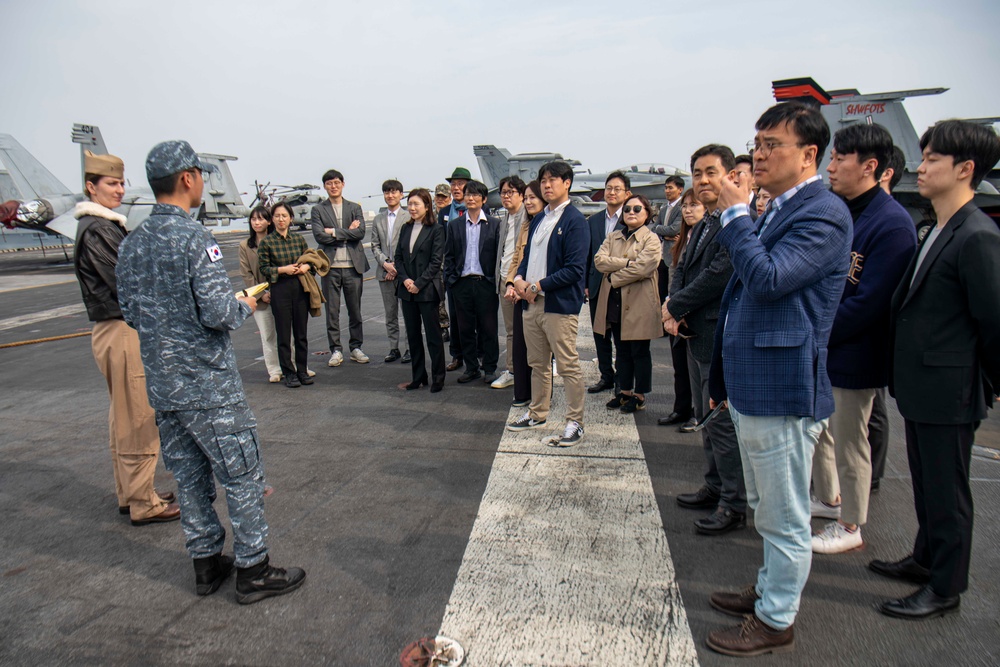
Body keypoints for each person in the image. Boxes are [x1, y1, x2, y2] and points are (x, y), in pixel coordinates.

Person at [116, 140, 304, 603]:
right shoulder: (196, 238)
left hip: (164, 386)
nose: (202, 181)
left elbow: (131, 311)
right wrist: (245, 302)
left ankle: (205, 565)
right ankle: (253, 568)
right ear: (187, 178)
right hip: (208, 386)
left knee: (189, 478)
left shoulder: (134, 241)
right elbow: (219, 312)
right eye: (199, 173)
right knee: (241, 475)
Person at [704, 102, 852, 656]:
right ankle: (768, 590)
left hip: (783, 385)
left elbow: (766, 280)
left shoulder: (824, 213)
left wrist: (739, 215)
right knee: (769, 506)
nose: (758, 154)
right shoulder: (780, 207)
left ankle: (776, 619)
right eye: (757, 143)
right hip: (755, 381)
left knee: (786, 516)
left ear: (809, 154)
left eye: (772, 144)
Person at [872, 120, 1000, 620]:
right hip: (924, 386)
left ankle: (945, 586)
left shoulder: (977, 235)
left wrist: (987, 386)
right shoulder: (936, 226)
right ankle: (926, 558)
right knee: (927, 482)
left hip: (951, 388)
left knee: (948, 492)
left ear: (965, 169)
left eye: (931, 161)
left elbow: (992, 321)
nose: (920, 168)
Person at [810, 124, 916, 554]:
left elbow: (871, 303)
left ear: (871, 166)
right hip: (829, 343)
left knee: (851, 438)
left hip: (855, 350)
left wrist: (817, 329)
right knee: (824, 432)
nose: (830, 167)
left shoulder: (891, 224)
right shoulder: (846, 211)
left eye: (839, 159)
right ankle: (831, 499)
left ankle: (851, 523)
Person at [72, 150, 180, 526]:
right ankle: (143, 502)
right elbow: (128, 283)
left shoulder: (98, 226)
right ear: (91, 187)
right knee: (137, 417)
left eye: (121, 182)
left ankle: (130, 492)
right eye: (111, 184)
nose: (119, 190)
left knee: (123, 416)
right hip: (121, 330)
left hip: (113, 329)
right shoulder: (100, 229)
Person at [663, 145, 745, 537]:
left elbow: (718, 275)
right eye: (697, 173)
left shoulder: (734, 221)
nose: (703, 180)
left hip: (718, 334)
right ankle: (714, 485)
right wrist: (672, 305)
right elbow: (680, 267)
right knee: (706, 419)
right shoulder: (706, 221)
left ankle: (733, 501)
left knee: (722, 424)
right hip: (695, 331)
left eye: (711, 172)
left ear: (729, 175)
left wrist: (674, 304)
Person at [508, 161, 589, 447]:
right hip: (531, 303)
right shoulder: (540, 219)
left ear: (567, 183)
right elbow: (528, 257)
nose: (546, 184)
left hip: (557, 305)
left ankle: (575, 422)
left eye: (552, 179)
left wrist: (537, 285)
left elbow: (575, 269)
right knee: (537, 363)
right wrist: (518, 278)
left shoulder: (574, 221)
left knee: (567, 365)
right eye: (543, 180)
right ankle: (537, 413)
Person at [592, 194, 663, 413]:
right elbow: (599, 261)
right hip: (615, 302)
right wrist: (627, 262)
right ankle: (625, 392)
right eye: (628, 209)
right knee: (621, 350)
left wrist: (615, 277)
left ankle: (639, 396)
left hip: (639, 303)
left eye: (637, 209)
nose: (631, 213)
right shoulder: (613, 236)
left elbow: (645, 267)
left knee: (639, 351)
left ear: (647, 213)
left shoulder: (651, 238)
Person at [443, 180, 501, 384]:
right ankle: (471, 367)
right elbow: (448, 255)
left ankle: (490, 367)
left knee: (489, 328)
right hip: (462, 283)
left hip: (485, 283)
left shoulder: (495, 224)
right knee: (465, 329)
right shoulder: (454, 225)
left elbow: (498, 255)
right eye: (468, 194)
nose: (470, 198)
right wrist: (452, 280)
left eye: (476, 195)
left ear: (484, 199)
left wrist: (494, 281)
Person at [310, 169, 370, 366]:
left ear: (343, 184)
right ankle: (335, 349)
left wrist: (334, 231)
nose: (333, 186)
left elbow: (360, 232)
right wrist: (346, 232)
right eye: (329, 183)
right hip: (330, 267)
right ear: (325, 186)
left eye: (336, 182)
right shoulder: (318, 210)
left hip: (353, 266)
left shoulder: (354, 207)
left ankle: (356, 347)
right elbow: (320, 236)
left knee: (355, 310)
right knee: (332, 311)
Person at [657, 188, 702, 431]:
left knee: (697, 368)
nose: (687, 210)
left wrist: (680, 306)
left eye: (694, 205)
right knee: (680, 366)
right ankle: (681, 408)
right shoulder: (684, 237)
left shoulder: (707, 235)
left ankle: (698, 413)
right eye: (685, 206)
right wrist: (671, 302)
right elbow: (676, 273)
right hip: (677, 309)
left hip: (695, 312)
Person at [258, 201, 316, 389]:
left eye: (284, 216)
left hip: (299, 288)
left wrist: (307, 266)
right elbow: (264, 269)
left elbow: (311, 261)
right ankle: (288, 373)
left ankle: (302, 370)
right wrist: (283, 269)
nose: (281, 219)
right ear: (272, 219)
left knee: (301, 334)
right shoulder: (267, 242)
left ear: (291, 218)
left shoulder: (298, 240)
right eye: (277, 216)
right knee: (283, 334)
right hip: (280, 288)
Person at [395, 188, 447, 393]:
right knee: (413, 335)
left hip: (426, 291)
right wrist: (406, 279)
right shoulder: (405, 228)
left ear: (427, 206)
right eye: (410, 204)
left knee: (433, 336)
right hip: (407, 290)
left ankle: (438, 377)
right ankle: (418, 376)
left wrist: (418, 282)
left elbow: (436, 262)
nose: (412, 208)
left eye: (417, 204)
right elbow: (398, 257)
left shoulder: (436, 229)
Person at [585, 171, 631, 394]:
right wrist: (585, 282)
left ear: (627, 193)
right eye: (608, 188)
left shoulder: (631, 219)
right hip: (596, 286)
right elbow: (587, 254)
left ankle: (623, 380)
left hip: (621, 287)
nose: (611, 193)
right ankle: (606, 376)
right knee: (599, 335)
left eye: (617, 189)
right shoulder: (593, 220)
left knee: (620, 337)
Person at [504, 180, 545, 408]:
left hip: (539, 293)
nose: (528, 202)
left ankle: (540, 396)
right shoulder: (525, 225)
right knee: (520, 346)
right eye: (526, 197)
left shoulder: (547, 224)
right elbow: (517, 260)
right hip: (520, 292)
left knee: (539, 350)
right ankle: (522, 393)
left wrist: (527, 287)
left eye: (533, 198)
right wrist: (512, 283)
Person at [492, 175, 528, 390]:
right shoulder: (504, 219)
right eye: (503, 193)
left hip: (523, 283)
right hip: (504, 281)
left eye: (510, 192)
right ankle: (512, 370)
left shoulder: (530, 217)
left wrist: (516, 282)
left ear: (521, 195)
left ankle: (537, 366)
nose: (505, 197)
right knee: (511, 330)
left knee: (532, 330)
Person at [239, 206, 282, 384]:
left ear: (268, 221)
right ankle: (274, 369)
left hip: (280, 293)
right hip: (260, 298)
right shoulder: (245, 246)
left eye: (261, 219)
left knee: (288, 334)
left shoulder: (277, 241)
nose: (257, 222)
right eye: (253, 219)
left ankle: (293, 365)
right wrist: (262, 294)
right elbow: (246, 274)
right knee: (268, 335)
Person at [371, 179, 411, 364]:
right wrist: (385, 263)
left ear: (401, 195)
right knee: (390, 313)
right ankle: (393, 347)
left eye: (394, 192)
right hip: (384, 273)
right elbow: (374, 245)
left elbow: (407, 245)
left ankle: (410, 348)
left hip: (403, 274)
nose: (390, 195)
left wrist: (396, 268)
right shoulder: (378, 219)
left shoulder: (408, 216)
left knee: (408, 312)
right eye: (387, 192)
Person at [440, 168, 471, 371]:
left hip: (474, 273)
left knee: (475, 319)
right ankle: (457, 356)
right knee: (456, 317)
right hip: (453, 274)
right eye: (453, 184)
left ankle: (477, 357)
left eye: (460, 184)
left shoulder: (475, 209)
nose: (456, 188)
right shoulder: (444, 213)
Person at [650, 174, 686, 301]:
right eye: (666, 188)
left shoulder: (683, 207)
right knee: (659, 291)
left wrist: (661, 230)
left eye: (670, 188)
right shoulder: (664, 208)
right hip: (661, 256)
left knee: (672, 292)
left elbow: (674, 229)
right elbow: (653, 228)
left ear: (680, 189)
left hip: (675, 256)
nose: (667, 191)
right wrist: (664, 233)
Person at [433, 183, 453, 342]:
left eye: (443, 197)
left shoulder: (454, 212)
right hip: (436, 264)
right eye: (438, 196)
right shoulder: (429, 216)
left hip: (450, 263)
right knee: (439, 298)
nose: (440, 200)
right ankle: (443, 327)